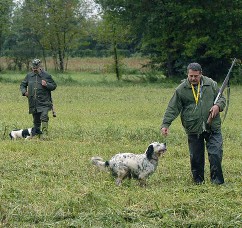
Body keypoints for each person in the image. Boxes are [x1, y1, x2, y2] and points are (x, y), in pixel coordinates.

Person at [161, 62, 226, 185]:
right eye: (190, 76)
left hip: (212, 126)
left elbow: (222, 98)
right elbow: (172, 108)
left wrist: (218, 106)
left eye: (195, 76)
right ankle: (198, 182)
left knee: (216, 154)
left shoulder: (211, 84)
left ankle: (217, 182)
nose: (193, 79)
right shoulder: (181, 89)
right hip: (193, 128)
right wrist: (165, 124)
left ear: (201, 74)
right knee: (196, 158)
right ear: (187, 74)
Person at [20, 59, 57, 139]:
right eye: (33, 68)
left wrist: (46, 84)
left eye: (36, 68)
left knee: (44, 116)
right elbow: (22, 85)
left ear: (40, 67)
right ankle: (36, 134)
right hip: (33, 102)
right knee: (36, 120)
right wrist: (24, 92)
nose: (34, 70)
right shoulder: (29, 76)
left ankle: (44, 134)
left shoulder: (46, 75)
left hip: (44, 102)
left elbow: (54, 86)